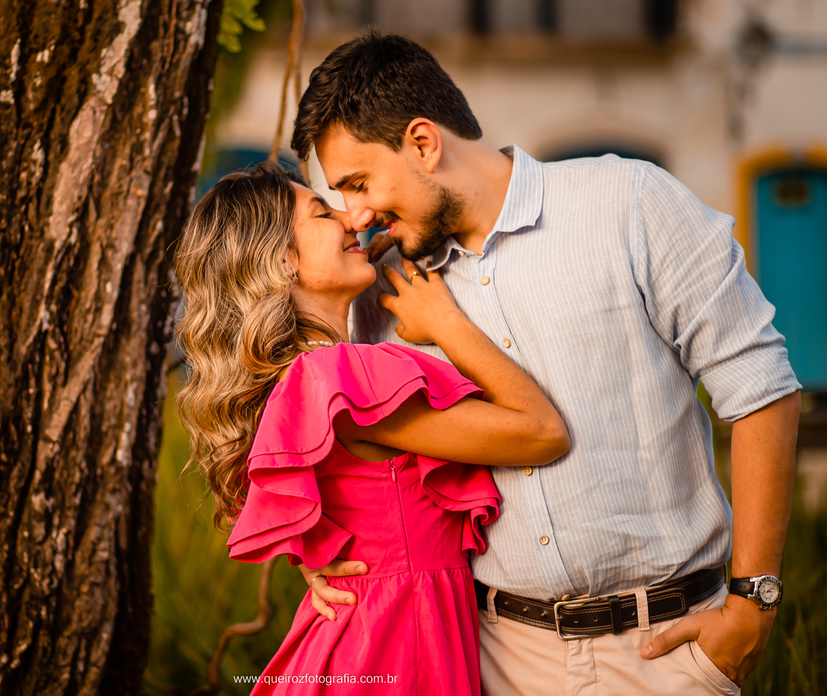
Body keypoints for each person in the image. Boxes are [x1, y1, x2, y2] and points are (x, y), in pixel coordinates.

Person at [292, 31, 802, 695]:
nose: (356, 215)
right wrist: (317, 545)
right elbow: (341, 436)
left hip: (666, 654)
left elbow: (760, 388)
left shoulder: (629, 203)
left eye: (359, 183)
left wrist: (753, 603)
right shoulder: (378, 293)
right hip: (492, 657)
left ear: (424, 142)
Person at [174, 162, 571, 694]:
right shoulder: (344, 374)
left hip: (367, 638)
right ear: (284, 261)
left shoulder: (298, 378)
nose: (349, 218)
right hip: (392, 646)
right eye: (322, 211)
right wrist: (447, 324)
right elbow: (541, 432)